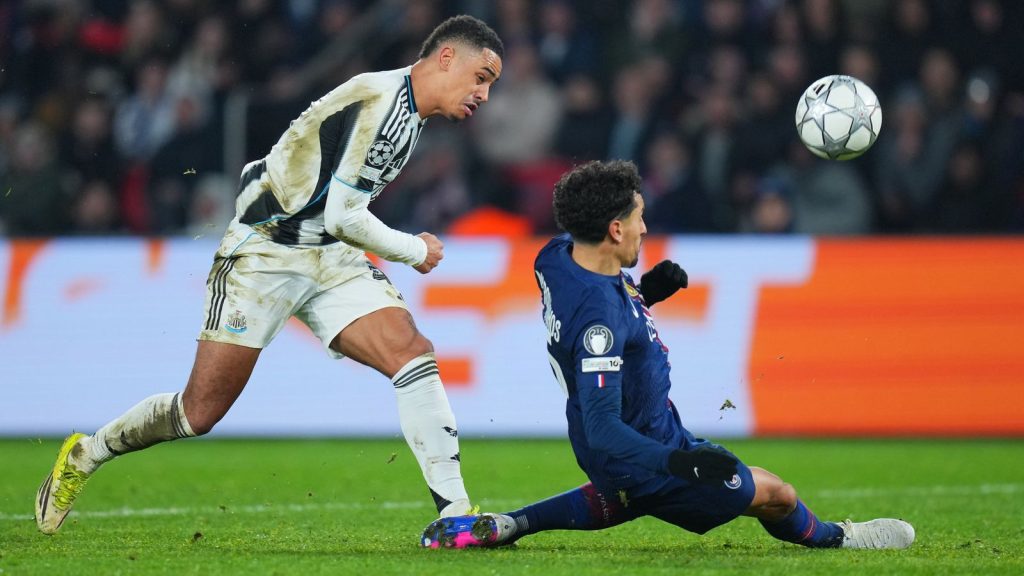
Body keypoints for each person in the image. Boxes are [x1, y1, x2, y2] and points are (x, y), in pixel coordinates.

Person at [35, 15, 504, 535]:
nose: (484, 94)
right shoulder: (383, 105)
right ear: (446, 58)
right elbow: (344, 215)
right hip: (266, 253)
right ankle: (87, 453)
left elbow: (334, 215)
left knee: (412, 354)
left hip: (329, 254)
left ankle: (455, 516)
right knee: (198, 413)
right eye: (481, 77)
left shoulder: (408, 112)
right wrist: (413, 249)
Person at [420, 160, 915, 550]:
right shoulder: (599, 323)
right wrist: (680, 464)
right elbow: (604, 426)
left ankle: (512, 524)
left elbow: (600, 306)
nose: (645, 227)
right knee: (776, 494)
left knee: (624, 494)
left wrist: (644, 295)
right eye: (638, 216)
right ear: (615, 229)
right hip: (643, 448)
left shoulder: (554, 256)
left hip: (634, 444)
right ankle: (839, 538)